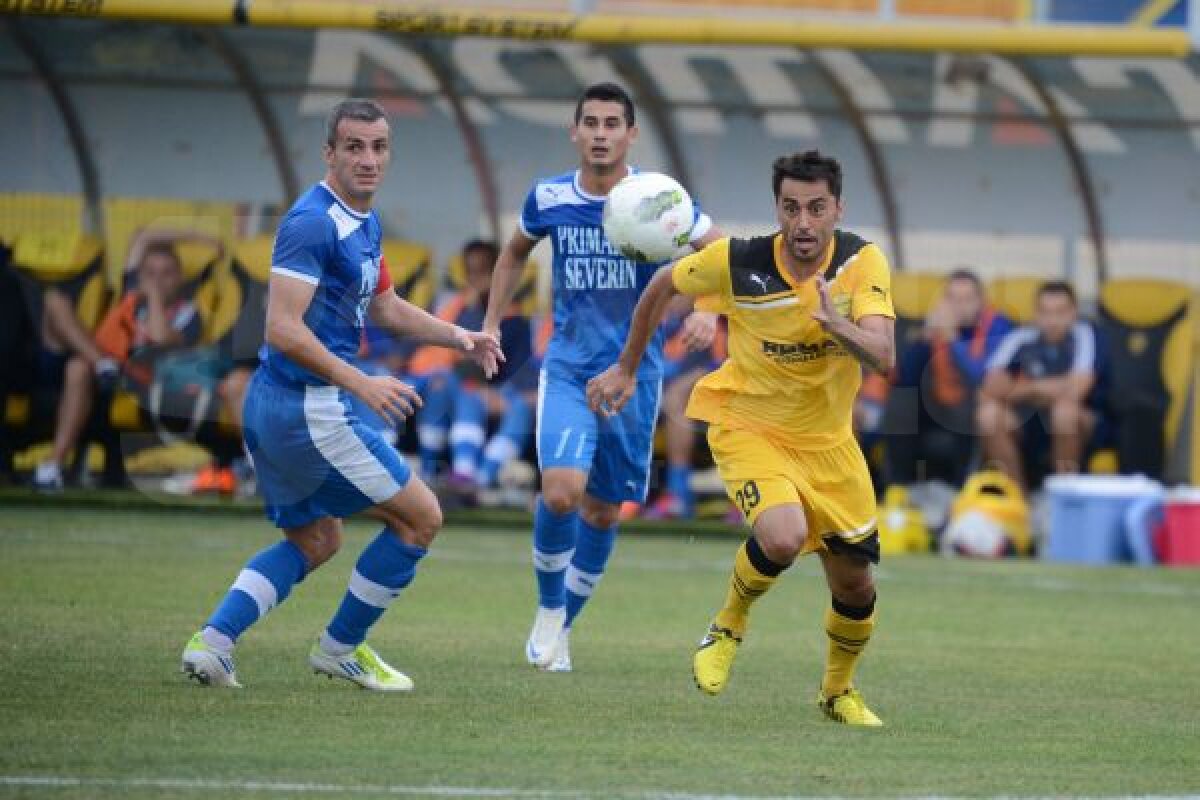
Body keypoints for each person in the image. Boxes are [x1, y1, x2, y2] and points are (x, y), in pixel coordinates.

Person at [180, 98, 501, 690]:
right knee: (421, 517)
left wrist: (460, 336)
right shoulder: (312, 222)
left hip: (281, 405)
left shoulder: (364, 221)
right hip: (308, 409)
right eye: (354, 147)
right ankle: (340, 648)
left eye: (378, 147)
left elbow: (384, 307)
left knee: (317, 537)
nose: (368, 159)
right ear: (329, 152)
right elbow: (281, 327)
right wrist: (362, 382)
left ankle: (214, 641)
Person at [588, 150, 895, 726]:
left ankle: (837, 692)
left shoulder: (862, 263)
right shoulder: (738, 262)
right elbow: (660, 285)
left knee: (855, 585)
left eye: (816, 208)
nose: (803, 221)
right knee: (782, 537)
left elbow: (883, 356)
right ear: (777, 207)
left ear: (838, 209)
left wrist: (837, 324)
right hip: (748, 425)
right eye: (791, 207)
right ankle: (727, 626)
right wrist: (626, 367)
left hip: (830, 447)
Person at [482, 82, 722, 672]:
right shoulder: (550, 197)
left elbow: (720, 251)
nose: (600, 133)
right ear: (574, 131)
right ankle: (546, 612)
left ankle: (563, 626)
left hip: (635, 376)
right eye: (590, 122)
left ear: (631, 135)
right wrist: (490, 321)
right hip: (567, 369)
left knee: (604, 511)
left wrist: (709, 308)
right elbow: (514, 251)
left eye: (612, 123)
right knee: (562, 493)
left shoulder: (658, 199)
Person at [31, 228, 216, 491]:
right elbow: (143, 236)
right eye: (150, 273)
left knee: (77, 366)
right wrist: (196, 236)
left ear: (180, 278)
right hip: (105, 369)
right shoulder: (130, 292)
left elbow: (160, 337)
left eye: (167, 273)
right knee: (68, 344)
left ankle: (102, 366)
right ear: (138, 276)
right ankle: (53, 467)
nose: (158, 280)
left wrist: (152, 297)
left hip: (144, 382)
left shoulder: (189, 312)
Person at [404, 238, 533, 498]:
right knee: (448, 385)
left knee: (476, 395)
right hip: (437, 381)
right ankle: (432, 474)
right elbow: (421, 352)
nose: (477, 278)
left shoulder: (515, 320)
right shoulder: (452, 306)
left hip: (484, 388)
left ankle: (475, 479)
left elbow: (494, 367)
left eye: (484, 270)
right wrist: (472, 306)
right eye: (471, 271)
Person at [880, 269, 1013, 488]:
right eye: (952, 298)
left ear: (981, 301)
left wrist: (953, 339)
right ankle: (897, 489)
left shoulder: (998, 326)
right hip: (936, 405)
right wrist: (923, 339)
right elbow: (904, 379)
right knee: (901, 402)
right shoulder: (935, 326)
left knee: (971, 411)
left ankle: (963, 490)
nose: (959, 306)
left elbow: (983, 380)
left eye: (967, 299)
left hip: (974, 404)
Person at [977, 280, 1101, 490]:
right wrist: (1042, 389)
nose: (1052, 320)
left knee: (1064, 411)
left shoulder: (1086, 335)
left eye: (1060, 312)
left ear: (1073, 313)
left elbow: (1077, 390)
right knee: (988, 414)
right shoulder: (1020, 338)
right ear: (1035, 313)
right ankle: (1018, 498)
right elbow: (988, 390)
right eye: (1045, 312)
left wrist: (1021, 388)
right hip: (1026, 419)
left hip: (1078, 423)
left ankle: (1062, 497)